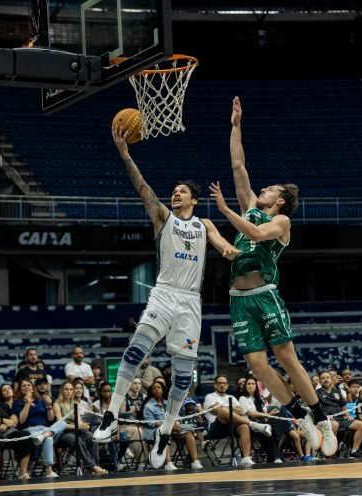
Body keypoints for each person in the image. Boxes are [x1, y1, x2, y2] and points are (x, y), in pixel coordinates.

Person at [93, 121, 239, 473]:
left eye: (181, 191)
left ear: (194, 198)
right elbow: (141, 187)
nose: (175, 194)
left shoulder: (204, 224)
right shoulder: (163, 217)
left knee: (183, 377)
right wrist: (126, 155)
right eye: (173, 190)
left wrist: (232, 251)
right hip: (163, 295)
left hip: (190, 303)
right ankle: (111, 414)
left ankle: (166, 431)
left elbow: (223, 247)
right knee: (133, 351)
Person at [207, 96, 333, 457]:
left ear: (280, 200)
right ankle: (300, 418)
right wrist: (235, 125)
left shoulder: (280, 221)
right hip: (239, 299)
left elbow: (258, 235)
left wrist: (226, 212)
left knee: (287, 357)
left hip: (265, 293)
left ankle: (321, 417)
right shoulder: (251, 206)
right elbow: (238, 164)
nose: (264, 189)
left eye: (271, 189)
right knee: (259, 367)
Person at [53, 381, 107, 476]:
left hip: (76, 430)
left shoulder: (75, 404)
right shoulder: (57, 404)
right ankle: (92, 467)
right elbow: (60, 424)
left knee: (92, 436)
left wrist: (83, 426)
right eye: (66, 389)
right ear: (62, 391)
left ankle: (95, 465)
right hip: (64, 433)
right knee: (77, 440)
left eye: (70, 389)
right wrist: (78, 426)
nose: (69, 391)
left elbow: (79, 421)